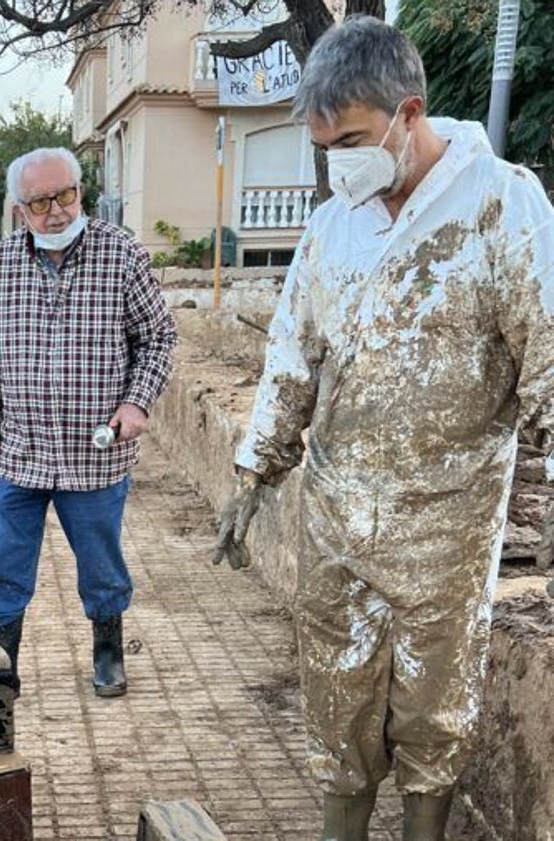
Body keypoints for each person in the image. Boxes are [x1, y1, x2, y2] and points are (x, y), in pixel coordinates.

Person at [213, 17, 554, 841]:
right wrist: (255, 470)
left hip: (448, 521)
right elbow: (292, 355)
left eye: (355, 139)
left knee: (435, 704)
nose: (341, 163)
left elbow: (549, 355)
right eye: (327, 147)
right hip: (337, 517)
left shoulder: (502, 207)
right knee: (337, 693)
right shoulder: (334, 225)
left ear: (409, 112)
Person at [0, 147, 177, 697]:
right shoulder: (0, 265)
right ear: (20, 210)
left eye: (66, 195)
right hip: (21, 451)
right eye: (41, 202)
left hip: (96, 455)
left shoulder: (122, 255)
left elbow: (158, 339)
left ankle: (109, 651)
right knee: (6, 569)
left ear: (81, 193)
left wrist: (136, 402)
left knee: (101, 564)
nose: (57, 211)